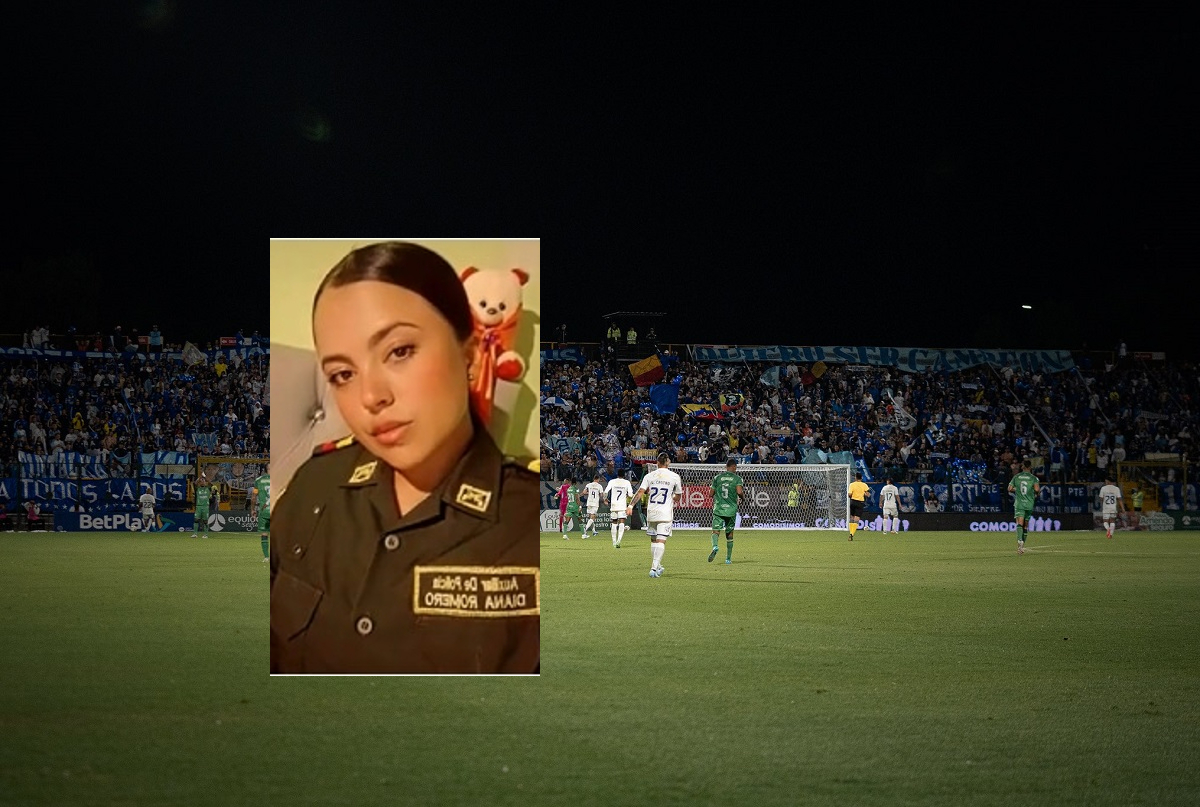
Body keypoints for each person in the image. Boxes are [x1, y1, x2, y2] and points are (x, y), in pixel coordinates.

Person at [269, 240, 539, 674]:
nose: (371, 397)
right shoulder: (312, 489)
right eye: (343, 374)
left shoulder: (533, 523)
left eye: (399, 351)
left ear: (468, 355)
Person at [626, 452, 682, 578]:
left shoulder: (649, 476)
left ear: (657, 463)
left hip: (651, 512)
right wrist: (672, 496)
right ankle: (653, 568)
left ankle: (658, 565)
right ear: (668, 462)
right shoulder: (674, 476)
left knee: (653, 540)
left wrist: (630, 506)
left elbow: (640, 492)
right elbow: (678, 496)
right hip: (665, 513)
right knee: (661, 540)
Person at [709, 459, 743, 564]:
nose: (735, 469)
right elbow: (739, 492)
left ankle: (715, 546)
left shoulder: (717, 478)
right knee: (729, 534)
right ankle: (728, 559)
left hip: (719, 509)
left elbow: (710, 494)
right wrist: (743, 497)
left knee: (715, 531)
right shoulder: (737, 479)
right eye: (735, 467)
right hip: (731, 510)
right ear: (733, 467)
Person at [1008, 459, 1041, 555]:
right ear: (1030, 467)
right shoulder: (1034, 478)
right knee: (1025, 525)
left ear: (1023, 467)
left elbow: (1009, 489)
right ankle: (1022, 546)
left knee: (1019, 523)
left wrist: (1017, 489)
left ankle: (1019, 544)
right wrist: (1037, 493)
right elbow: (1036, 489)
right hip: (1029, 503)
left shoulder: (1016, 477)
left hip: (1019, 504)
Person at [603, 471, 633, 548]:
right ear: (624, 475)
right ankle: (618, 541)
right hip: (622, 506)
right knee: (622, 522)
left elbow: (605, 491)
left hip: (614, 505)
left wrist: (605, 499)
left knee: (614, 522)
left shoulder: (612, 481)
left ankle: (613, 542)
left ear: (617, 474)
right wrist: (626, 494)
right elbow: (630, 494)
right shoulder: (627, 482)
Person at [1098, 475, 1126, 540]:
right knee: (1112, 521)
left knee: (1105, 521)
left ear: (1108, 481)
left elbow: (1101, 498)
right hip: (1113, 508)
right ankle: (1111, 534)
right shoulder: (1116, 489)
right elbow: (1119, 499)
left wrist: (1103, 504)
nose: (1105, 483)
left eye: (1106, 481)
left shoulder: (1103, 488)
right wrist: (1123, 508)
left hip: (1106, 507)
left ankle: (1108, 529)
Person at [251, 471, 271, 563]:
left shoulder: (258, 480)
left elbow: (254, 496)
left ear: (264, 471)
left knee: (264, 534)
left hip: (264, 512)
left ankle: (266, 557)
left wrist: (253, 509)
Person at [558, 476, 583, 540]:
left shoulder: (568, 489)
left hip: (569, 506)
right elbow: (577, 498)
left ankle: (564, 534)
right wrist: (579, 506)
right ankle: (584, 534)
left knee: (567, 520)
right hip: (575, 506)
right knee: (580, 519)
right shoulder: (576, 489)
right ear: (576, 482)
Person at [847, 471, 870, 540]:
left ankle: (850, 532)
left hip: (853, 502)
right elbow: (868, 494)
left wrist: (851, 496)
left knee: (852, 517)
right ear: (861, 478)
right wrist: (866, 494)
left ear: (855, 478)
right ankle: (852, 534)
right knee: (857, 519)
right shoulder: (864, 485)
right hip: (860, 503)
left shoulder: (852, 484)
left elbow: (849, 494)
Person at [581, 474, 604, 539]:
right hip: (595, 503)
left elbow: (584, 492)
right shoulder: (599, 486)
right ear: (598, 479)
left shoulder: (588, 485)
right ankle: (585, 530)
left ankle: (594, 531)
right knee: (593, 518)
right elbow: (602, 495)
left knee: (590, 518)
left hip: (589, 503)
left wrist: (590, 492)